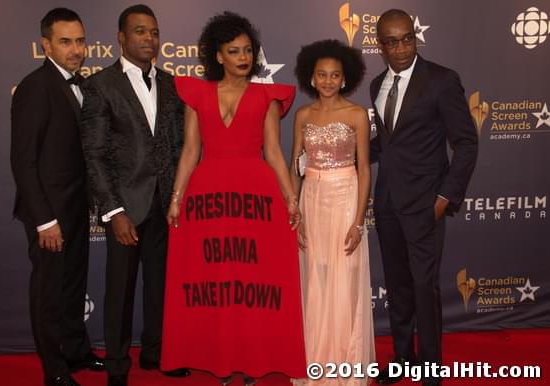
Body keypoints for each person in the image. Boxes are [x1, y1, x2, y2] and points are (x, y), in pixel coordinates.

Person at [160, 11, 306, 386]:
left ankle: (253, 360)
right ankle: (221, 360)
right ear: (217, 55)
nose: (243, 57)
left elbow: (273, 152)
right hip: (208, 195)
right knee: (217, 281)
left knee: (253, 284)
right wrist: (176, 198)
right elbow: (190, 151)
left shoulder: (267, 95)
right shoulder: (196, 94)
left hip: (255, 196)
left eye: (247, 50)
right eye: (233, 50)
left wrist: (291, 199)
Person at [79, 4, 187, 386]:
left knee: (161, 287)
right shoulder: (100, 85)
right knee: (120, 292)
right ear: (121, 38)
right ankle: (118, 366)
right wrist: (114, 211)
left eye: (154, 32)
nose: (149, 39)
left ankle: (158, 354)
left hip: (164, 205)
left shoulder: (172, 83)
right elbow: (94, 154)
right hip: (126, 207)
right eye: (140, 32)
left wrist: (178, 197)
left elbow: (179, 146)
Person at [370, 9, 478, 386]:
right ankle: (402, 358)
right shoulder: (376, 85)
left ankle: (431, 368)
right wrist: (335, 152)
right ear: (380, 45)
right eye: (392, 42)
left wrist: (445, 196)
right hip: (386, 203)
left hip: (425, 203)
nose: (401, 48)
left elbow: (466, 143)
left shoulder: (442, 80)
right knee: (398, 286)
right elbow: (386, 144)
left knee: (423, 286)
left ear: (415, 38)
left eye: (407, 39)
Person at [10, 7, 105, 386]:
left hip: (78, 207)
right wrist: (44, 219)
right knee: (49, 294)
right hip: (49, 213)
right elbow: (24, 160)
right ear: (45, 44)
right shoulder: (36, 86)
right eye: (66, 41)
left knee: (72, 288)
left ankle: (78, 353)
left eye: (80, 40)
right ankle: (55, 371)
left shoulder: (83, 84)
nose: (76, 49)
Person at [290, 39, 375, 386]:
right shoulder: (303, 115)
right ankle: (315, 359)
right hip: (312, 197)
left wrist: (359, 221)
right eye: (321, 74)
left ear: (345, 78)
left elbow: (366, 169)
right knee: (315, 276)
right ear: (311, 78)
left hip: (345, 197)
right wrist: (295, 211)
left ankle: (346, 361)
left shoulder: (356, 114)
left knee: (345, 278)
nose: (327, 80)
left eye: (334, 75)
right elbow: (296, 164)